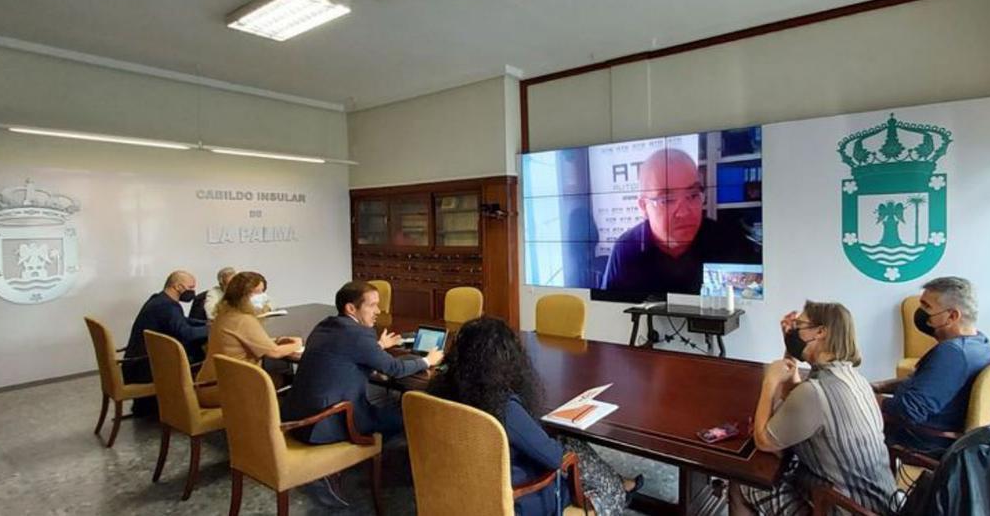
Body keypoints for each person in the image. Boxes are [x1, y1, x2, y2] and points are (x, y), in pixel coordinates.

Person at [428, 317, 642, 516]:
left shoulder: (442, 392)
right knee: (572, 451)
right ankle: (616, 489)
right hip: (520, 497)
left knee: (569, 442)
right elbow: (554, 457)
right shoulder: (502, 407)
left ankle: (619, 481)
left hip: (465, 484)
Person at [731, 301, 896, 516]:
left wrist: (769, 382)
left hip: (842, 508)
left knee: (745, 482)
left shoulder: (815, 392)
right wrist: (790, 348)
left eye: (799, 326)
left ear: (820, 332)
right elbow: (796, 401)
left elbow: (764, 441)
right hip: (880, 502)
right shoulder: (855, 379)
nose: (794, 331)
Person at [283, 280, 440, 444]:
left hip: (298, 417)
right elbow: (395, 369)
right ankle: (380, 457)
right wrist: (428, 360)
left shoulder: (325, 325)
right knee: (407, 418)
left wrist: (378, 346)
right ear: (351, 308)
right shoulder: (359, 334)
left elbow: (344, 352)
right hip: (327, 421)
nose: (378, 311)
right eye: (372, 306)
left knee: (388, 409)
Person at [601, 148, 759, 295]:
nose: (684, 212)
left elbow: (754, 307)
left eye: (692, 195)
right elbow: (610, 314)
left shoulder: (730, 242)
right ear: (644, 206)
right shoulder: (626, 249)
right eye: (667, 199)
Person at [872, 276, 990, 455]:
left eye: (926, 307)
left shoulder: (952, 354)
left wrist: (860, 396)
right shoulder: (979, 342)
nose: (920, 313)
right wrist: (880, 386)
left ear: (952, 316)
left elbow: (909, 410)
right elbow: (924, 383)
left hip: (922, 439)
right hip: (938, 426)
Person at [194, 271, 302, 408]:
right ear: (242, 295)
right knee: (290, 381)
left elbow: (245, 341)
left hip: (209, 383)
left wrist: (275, 341)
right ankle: (269, 424)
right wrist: (297, 343)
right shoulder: (244, 320)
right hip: (227, 389)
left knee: (278, 376)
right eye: (257, 293)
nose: (262, 297)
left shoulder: (224, 313)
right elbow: (274, 353)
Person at [123, 270, 209, 417]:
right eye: (191, 287)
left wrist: (206, 324)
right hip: (145, 369)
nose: (193, 292)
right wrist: (213, 331)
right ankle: (197, 403)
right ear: (177, 287)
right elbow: (186, 333)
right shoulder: (167, 307)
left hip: (136, 363)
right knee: (201, 355)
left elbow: (182, 321)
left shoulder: (158, 300)